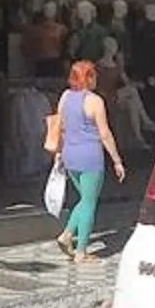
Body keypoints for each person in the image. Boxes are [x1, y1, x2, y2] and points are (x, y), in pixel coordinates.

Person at [52, 57, 125, 263]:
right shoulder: (95, 101)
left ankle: (67, 235)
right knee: (89, 203)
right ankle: (81, 250)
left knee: (83, 199)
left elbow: (60, 126)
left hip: (70, 155)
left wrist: (58, 152)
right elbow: (105, 134)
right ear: (90, 78)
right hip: (90, 157)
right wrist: (117, 160)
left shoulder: (65, 97)